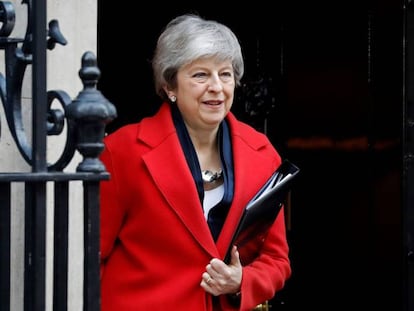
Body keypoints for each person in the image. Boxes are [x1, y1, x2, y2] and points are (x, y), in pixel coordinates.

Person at [99, 13, 291, 311]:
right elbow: (90, 258)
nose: (216, 86)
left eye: (225, 74)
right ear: (170, 87)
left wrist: (242, 281)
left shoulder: (262, 153)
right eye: (200, 75)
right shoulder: (122, 150)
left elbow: (276, 260)